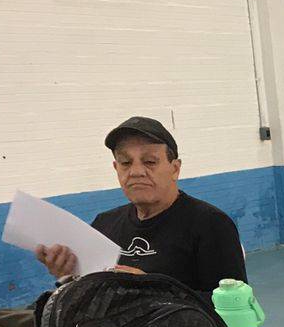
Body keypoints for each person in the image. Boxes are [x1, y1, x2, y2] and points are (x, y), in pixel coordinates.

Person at [33, 116, 246, 293]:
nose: (135, 172)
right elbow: (88, 297)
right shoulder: (104, 225)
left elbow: (233, 309)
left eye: (150, 162)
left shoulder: (210, 225)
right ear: (116, 168)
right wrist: (67, 275)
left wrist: (150, 288)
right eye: (126, 163)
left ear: (175, 169)